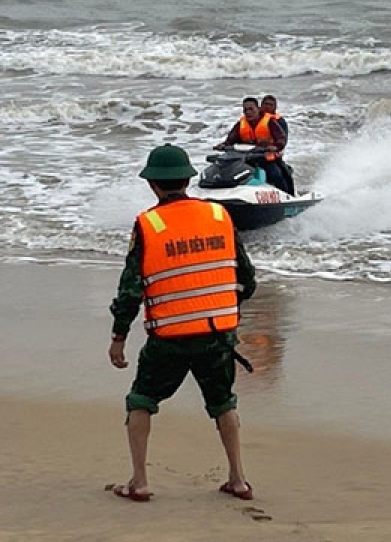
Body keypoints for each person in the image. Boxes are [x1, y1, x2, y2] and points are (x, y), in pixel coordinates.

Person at [108, 144, 258, 503]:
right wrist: (220, 309)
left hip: (169, 338)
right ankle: (238, 479)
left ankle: (139, 481)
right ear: (189, 179)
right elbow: (247, 279)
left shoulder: (148, 224)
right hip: (217, 335)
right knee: (224, 403)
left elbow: (131, 290)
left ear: (152, 185)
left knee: (141, 400)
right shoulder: (220, 216)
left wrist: (118, 337)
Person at [215, 97, 293, 195]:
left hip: (266, 158)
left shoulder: (270, 122)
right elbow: (230, 140)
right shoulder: (241, 124)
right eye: (245, 110)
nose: (248, 112)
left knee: (276, 175)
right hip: (245, 159)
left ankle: (286, 196)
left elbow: (281, 138)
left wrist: (276, 146)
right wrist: (223, 145)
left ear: (258, 109)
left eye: (251, 109)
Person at [260, 94, 295, 195]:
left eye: (270, 105)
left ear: (275, 108)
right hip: (253, 153)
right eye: (265, 104)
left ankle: (287, 194)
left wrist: (276, 148)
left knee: (277, 174)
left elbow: (283, 139)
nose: (267, 107)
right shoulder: (254, 118)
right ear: (261, 105)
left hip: (272, 154)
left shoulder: (279, 121)